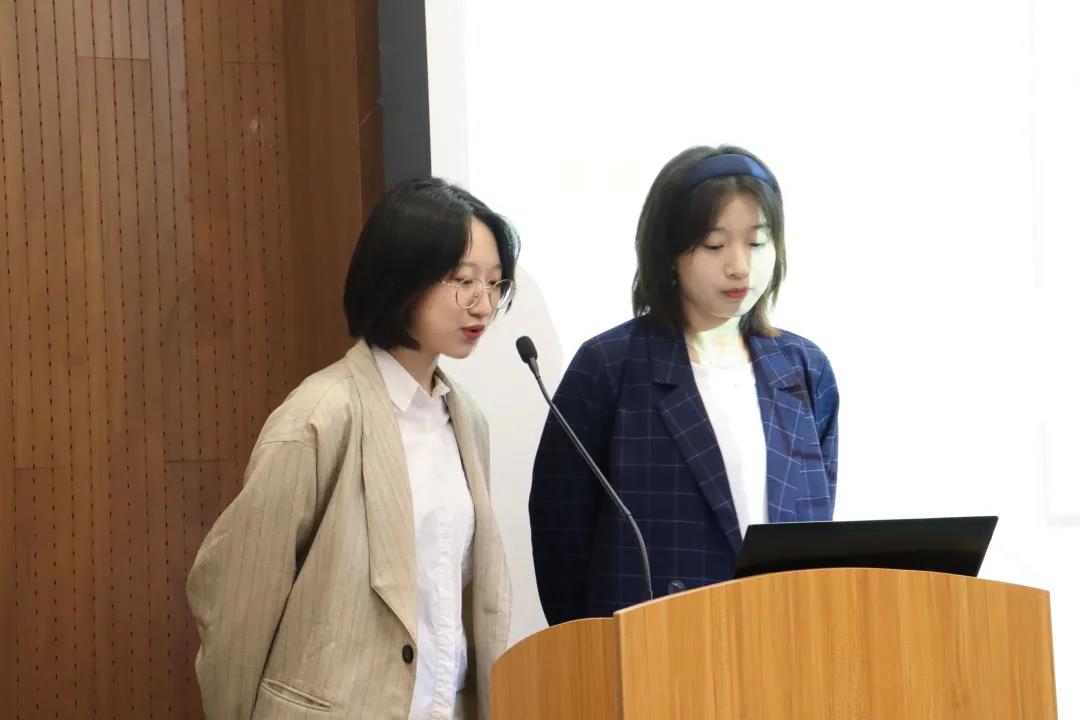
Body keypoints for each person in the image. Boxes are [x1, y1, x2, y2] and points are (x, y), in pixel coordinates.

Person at [187, 178, 518, 719]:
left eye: (494, 282)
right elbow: (236, 595)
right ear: (401, 277)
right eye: (463, 281)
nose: (483, 303)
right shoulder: (323, 413)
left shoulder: (466, 420)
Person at [529, 145, 839, 625]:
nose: (739, 266)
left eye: (757, 243)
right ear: (669, 252)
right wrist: (593, 649)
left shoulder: (803, 367)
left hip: (779, 634)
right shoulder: (610, 367)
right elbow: (560, 532)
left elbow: (815, 526)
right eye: (715, 246)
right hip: (656, 643)